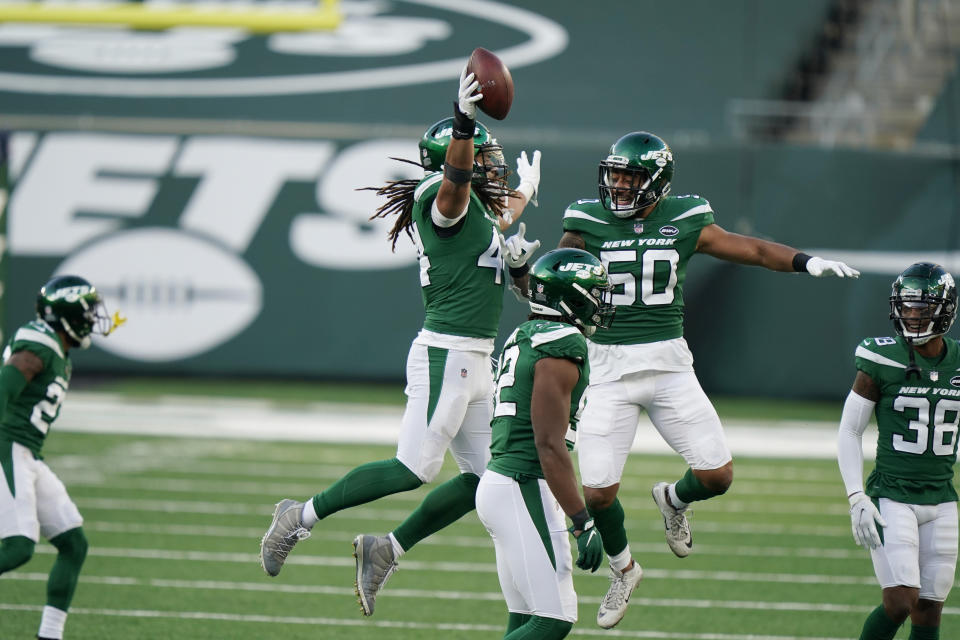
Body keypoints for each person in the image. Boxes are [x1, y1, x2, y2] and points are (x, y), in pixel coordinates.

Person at [258, 66, 543, 618]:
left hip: (478, 356)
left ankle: (386, 549)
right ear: (453, 160)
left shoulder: (478, 208)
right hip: (448, 353)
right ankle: (299, 516)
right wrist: (465, 125)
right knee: (413, 468)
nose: (492, 168)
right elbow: (459, 187)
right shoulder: (441, 194)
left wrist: (526, 191)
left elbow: (496, 213)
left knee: (490, 479)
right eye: (483, 159)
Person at [557, 131, 860, 629]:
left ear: (656, 183)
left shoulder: (686, 218)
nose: (619, 185)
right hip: (609, 369)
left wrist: (805, 262)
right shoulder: (585, 220)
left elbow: (753, 250)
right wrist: (522, 271)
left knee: (717, 475)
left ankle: (673, 499)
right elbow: (559, 278)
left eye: (631, 177)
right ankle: (624, 570)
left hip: (671, 367)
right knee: (597, 495)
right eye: (615, 174)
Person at [476, 247, 615, 639]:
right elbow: (548, 443)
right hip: (523, 483)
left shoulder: (527, 333)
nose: (599, 301)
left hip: (504, 483)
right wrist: (582, 520)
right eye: (594, 291)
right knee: (552, 621)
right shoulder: (561, 347)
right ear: (571, 296)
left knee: (524, 617)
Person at [837, 262, 958, 640]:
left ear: (945, 309)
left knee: (929, 608)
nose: (911, 315)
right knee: (900, 600)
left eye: (921, 308)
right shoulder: (881, 358)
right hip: (892, 496)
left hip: (942, 496)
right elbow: (850, 430)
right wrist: (857, 496)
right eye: (905, 307)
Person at [0, 275, 120, 640]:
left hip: (28, 453)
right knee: (18, 547)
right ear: (66, 316)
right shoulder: (38, 344)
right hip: (8, 446)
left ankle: (50, 636)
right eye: (86, 313)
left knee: (73, 543)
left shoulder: (54, 344)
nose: (92, 320)